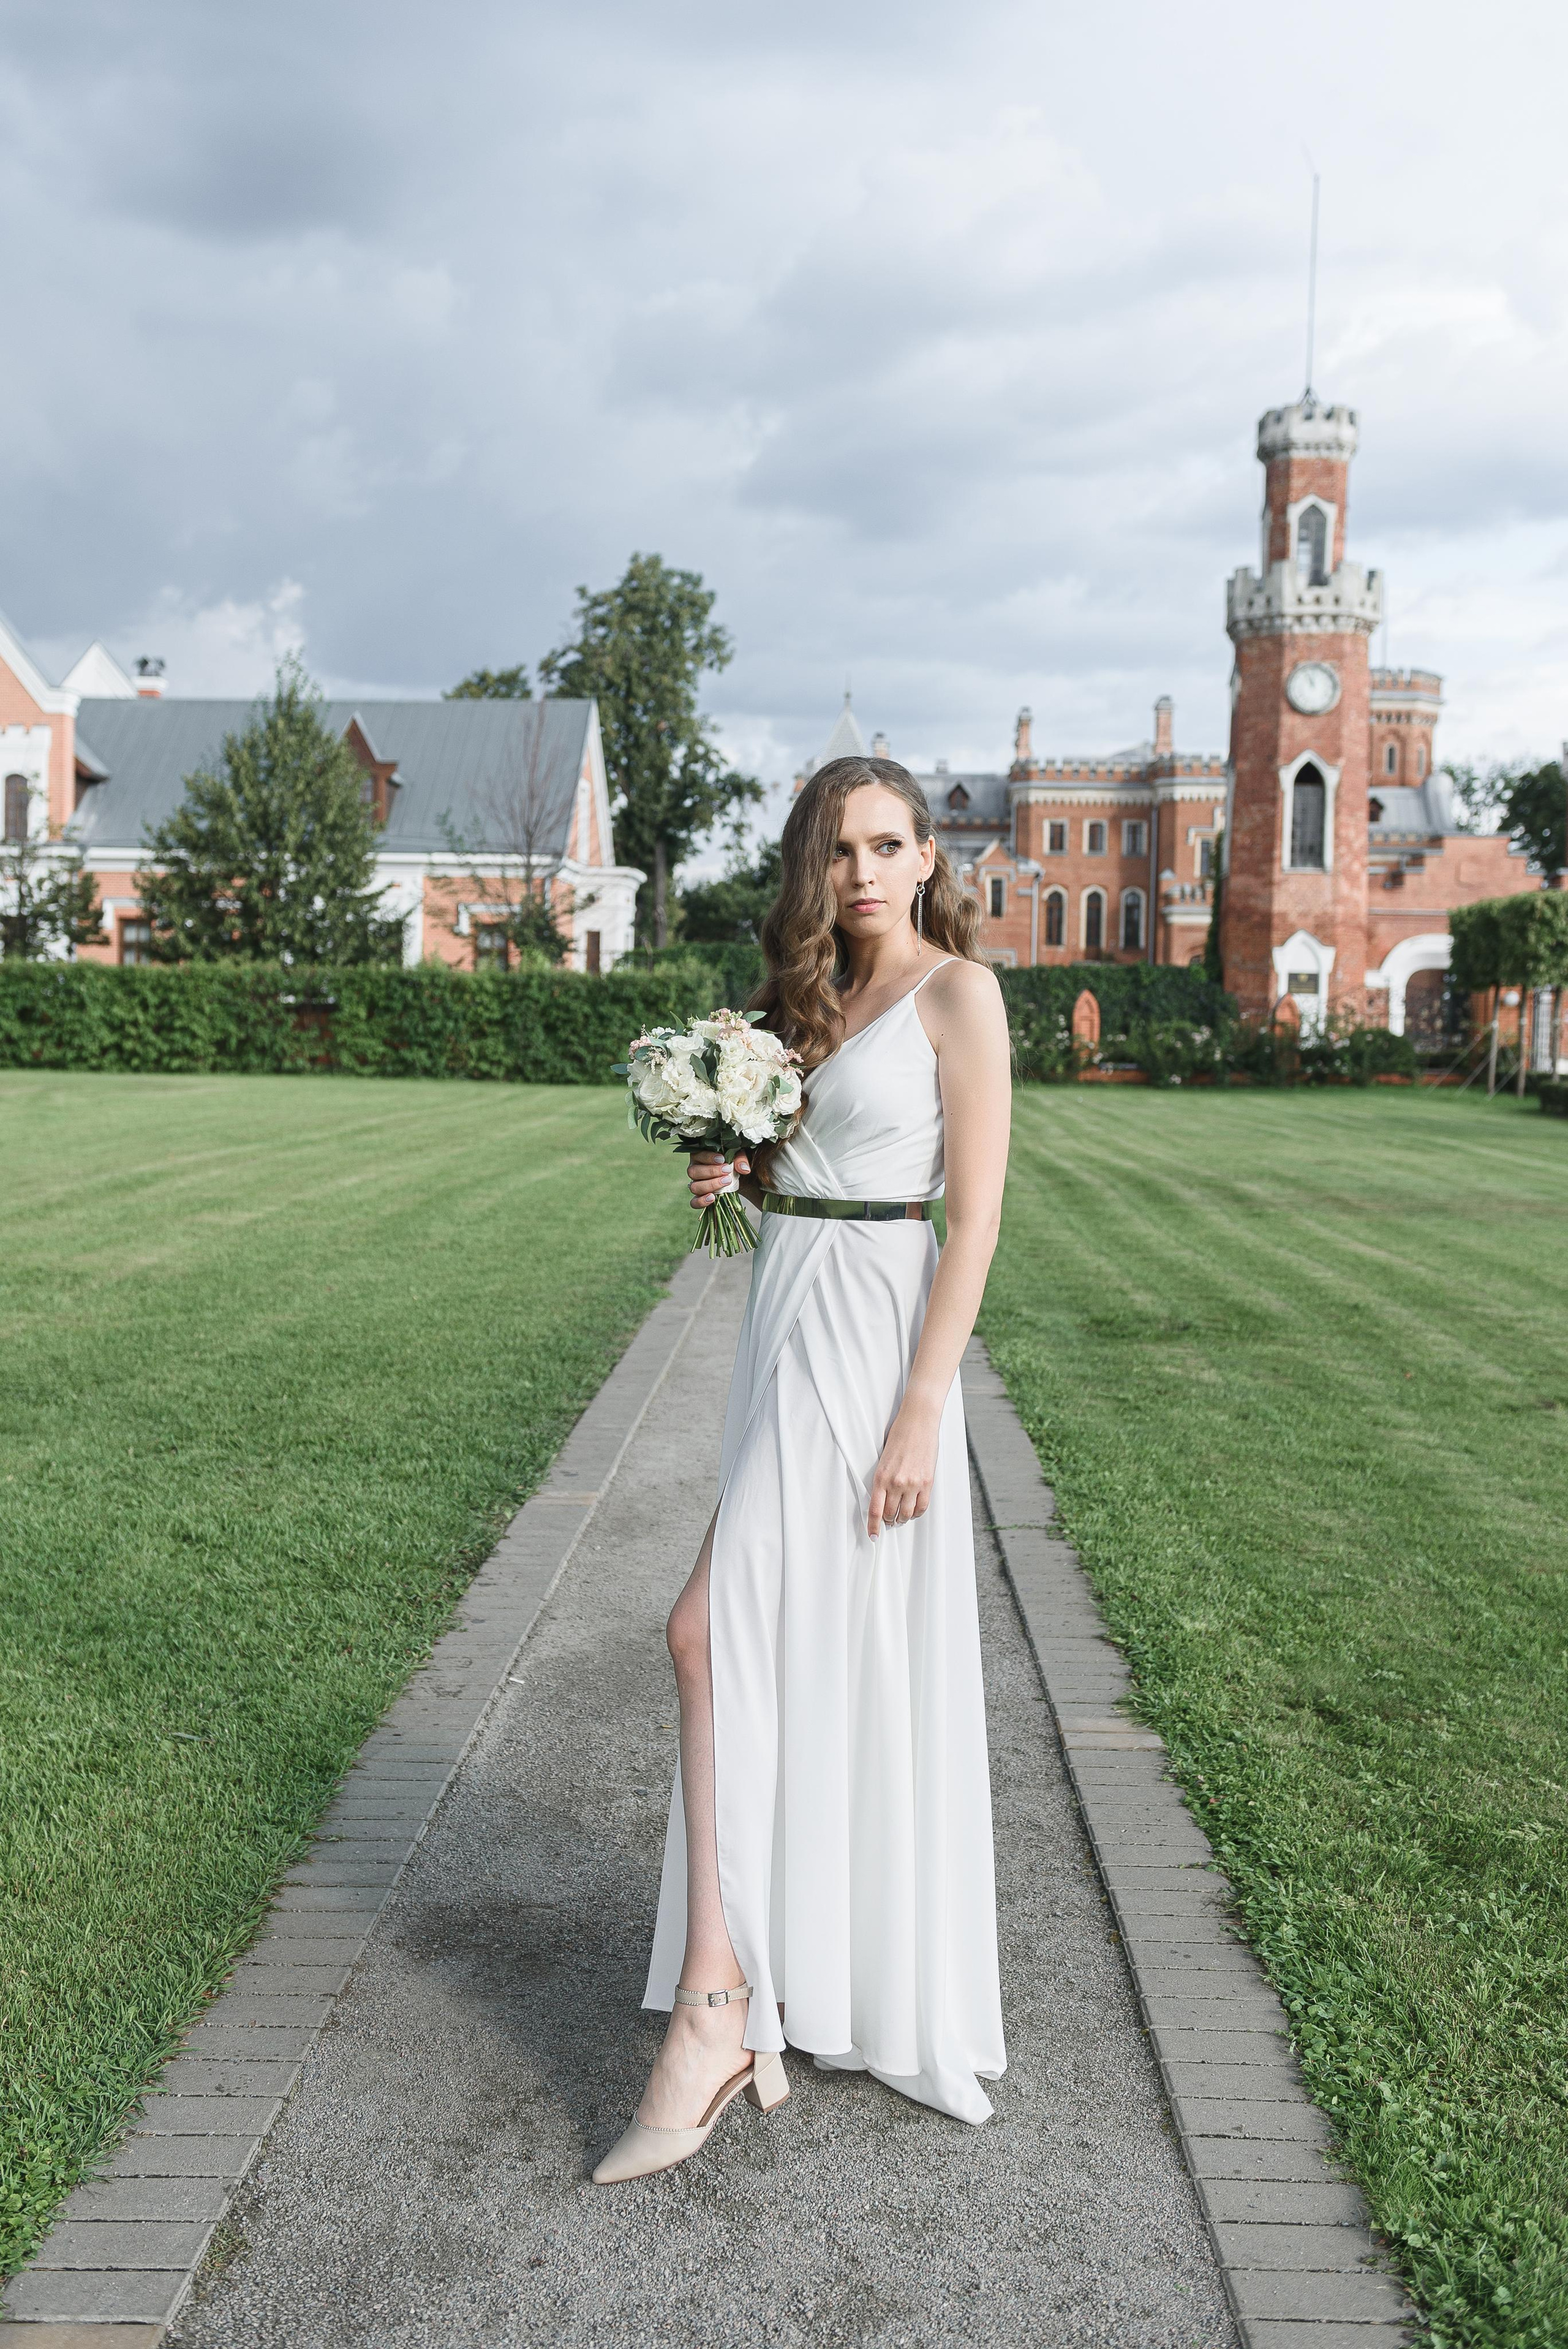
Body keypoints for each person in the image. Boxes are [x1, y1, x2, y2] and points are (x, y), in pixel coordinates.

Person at [593, 755, 1012, 2184]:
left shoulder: (961, 995)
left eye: (889, 844)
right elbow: (789, 1170)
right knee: (774, 1637)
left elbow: (969, 1226)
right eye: (839, 850)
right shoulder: (800, 1004)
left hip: (878, 1329)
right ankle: (768, 1980)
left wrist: (920, 1412)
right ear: (810, 867)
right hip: (788, 1306)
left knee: (703, 1629)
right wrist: (724, 1170)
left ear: (925, 855)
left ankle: (716, 2012)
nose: (866, 872)